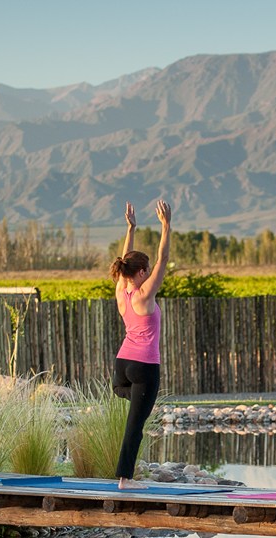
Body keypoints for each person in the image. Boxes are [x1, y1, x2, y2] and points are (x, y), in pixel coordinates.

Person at [111, 200, 172, 489]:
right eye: (145, 270)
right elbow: (163, 259)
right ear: (140, 273)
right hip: (144, 366)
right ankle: (125, 479)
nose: (148, 273)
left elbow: (125, 260)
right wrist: (166, 226)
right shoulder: (144, 295)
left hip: (122, 366)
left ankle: (133, 396)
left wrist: (131, 229)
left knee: (129, 399)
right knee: (135, 424)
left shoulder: (121, 291)